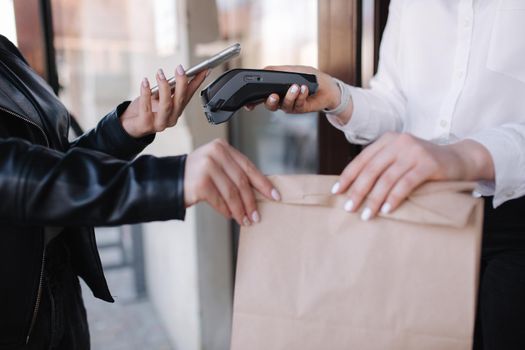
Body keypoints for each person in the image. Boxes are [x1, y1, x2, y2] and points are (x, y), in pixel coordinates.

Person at [253, 0, 525, 348]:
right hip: (423, 216)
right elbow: (394, 103)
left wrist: (463, 156)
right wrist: (335, 96)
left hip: (515, 220)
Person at [0, 34, 280, 350]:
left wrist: (124, 128)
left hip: (56, 309)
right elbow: (15, 175)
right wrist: (169, 179)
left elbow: (55, 163)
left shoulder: (4, 52)